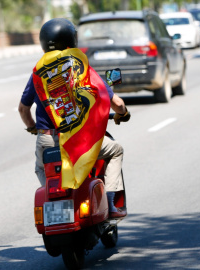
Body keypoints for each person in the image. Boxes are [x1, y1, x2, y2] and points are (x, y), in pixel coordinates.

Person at [19, 18, 130, 218]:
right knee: (116, 150)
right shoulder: (80, 67)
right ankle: (112, 204)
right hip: (78, 140)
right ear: (72, 41)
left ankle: (54, 200)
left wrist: (32, 127)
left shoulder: (37, 73)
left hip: (47, 140)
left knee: (40, 168)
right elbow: (117, 104)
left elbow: (23, 109)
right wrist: (123, 113)